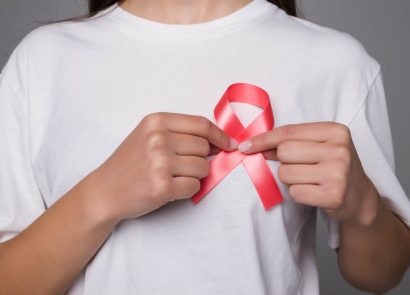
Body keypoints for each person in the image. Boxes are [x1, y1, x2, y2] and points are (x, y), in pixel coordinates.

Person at [0, 0, 409, 294]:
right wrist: (99, 198)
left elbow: (381, 277)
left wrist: (363, 207)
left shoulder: (335, 62)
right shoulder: (45, 60)